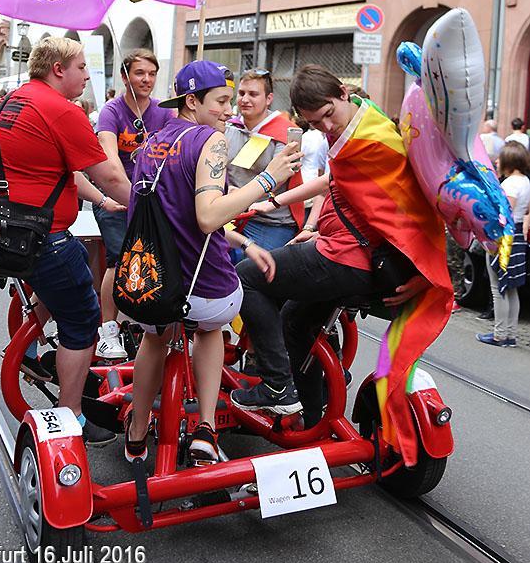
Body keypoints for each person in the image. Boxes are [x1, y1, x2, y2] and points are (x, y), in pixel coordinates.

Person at [231, 65, 452, 467]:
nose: (327, 125)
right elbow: (335, 182)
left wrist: (424, 272)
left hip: (350, 258)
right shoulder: (358, 127)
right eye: (317, 123)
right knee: (295, 321)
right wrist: (284, 206)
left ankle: (278, 386)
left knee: (245, 279)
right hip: (345, 250)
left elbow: (420, 212)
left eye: (329, 114)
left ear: (343, 92)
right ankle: (309, 425)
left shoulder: (373, 140)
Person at [124, 60, 300, 465]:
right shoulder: (211, 140)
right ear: (192, 101)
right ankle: (206, 427)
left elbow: (174, 215)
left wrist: (239, 238)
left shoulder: (152, 141)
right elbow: (207, 216)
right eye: (221, 100)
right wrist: (269, 178)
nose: (229, 111)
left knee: (155, 337)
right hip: (201, 293)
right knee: (213, 327)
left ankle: (135, 435)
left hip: (148, 286)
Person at [0, 37, 131, 446]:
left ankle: (39, 357)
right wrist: (157, 209)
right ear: (58, 68)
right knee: (83, 318)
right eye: (81, 67)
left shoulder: (13, 101)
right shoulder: (62, 110)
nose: (87, 75)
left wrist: (104, 202)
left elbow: (65, 173)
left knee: (61, 293)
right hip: (37, 240)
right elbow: (107, 172)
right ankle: (72, 415)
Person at [94, 49, 173, 360]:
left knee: (158, 258)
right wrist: (125, 194)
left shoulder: (164, 113)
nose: (147, 80)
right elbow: (109, 157)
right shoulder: (111, 112)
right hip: (116, 198)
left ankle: (149, 318)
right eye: (140, 73)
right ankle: (107, 331)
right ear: (125, 77)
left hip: (153, 200)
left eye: (152, 74)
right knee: (118, 258)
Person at [225, 69, 305, 251]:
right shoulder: (228, 127)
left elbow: (276, 180)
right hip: (231, 215)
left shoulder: (288, 133)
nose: (245, 99)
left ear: (269, 99)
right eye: (242, 93)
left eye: (253, 94)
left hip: (272, 222)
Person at [477, 142, 530, 347]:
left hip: (503, 239)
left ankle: (499, 334)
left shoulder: (509, 184)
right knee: (512, 288)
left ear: (508, 160)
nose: (497, 161)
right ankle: (511, 334)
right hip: (517, 236)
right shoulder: (526, 181)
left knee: (498, 287)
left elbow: (503, 215)